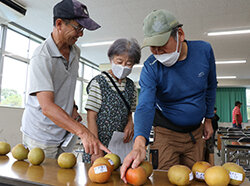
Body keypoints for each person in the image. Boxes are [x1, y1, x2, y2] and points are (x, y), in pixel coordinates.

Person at [121, 9, 217, 182]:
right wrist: (139, 143)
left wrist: (208, 119)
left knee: (195, 179)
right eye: (153, 47)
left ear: (179, 34)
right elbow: (145, 105)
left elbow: (210, 87)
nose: (157, 52)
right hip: (165, 134)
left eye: (162, 45)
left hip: (195, 133)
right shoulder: (151, 67)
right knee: (164, 179)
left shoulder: (204, 51)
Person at [21, 0, 110, 158]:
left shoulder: (75, 52)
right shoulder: (42, 56)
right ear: (59, 23)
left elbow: (65, 86)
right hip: (41, 136)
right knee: (43, 181)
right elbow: (47, 106)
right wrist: (83, 132)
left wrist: (73, 106)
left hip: (64, 133)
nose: (81, 34)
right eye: (78, 27)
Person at [82, 38, 141, 163]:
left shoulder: (131, 86)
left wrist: (130, 123)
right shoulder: (99, 82)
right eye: (119, 61)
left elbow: (130, 112)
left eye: (129, 64)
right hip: (98, 143)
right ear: (111, 59)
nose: (124, 66)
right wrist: (96, 150)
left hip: (120, 146)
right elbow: (91, 117)